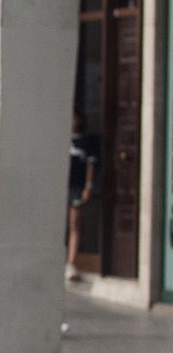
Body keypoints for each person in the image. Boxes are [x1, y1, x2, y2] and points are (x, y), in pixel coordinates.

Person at [66, 111, 98, 283]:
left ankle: (71, 262)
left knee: (74, 224)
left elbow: (91, 165)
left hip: (76, 187)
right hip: (61, 186)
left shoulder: (86, 143)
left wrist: (88, 186)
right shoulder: (60, 139)